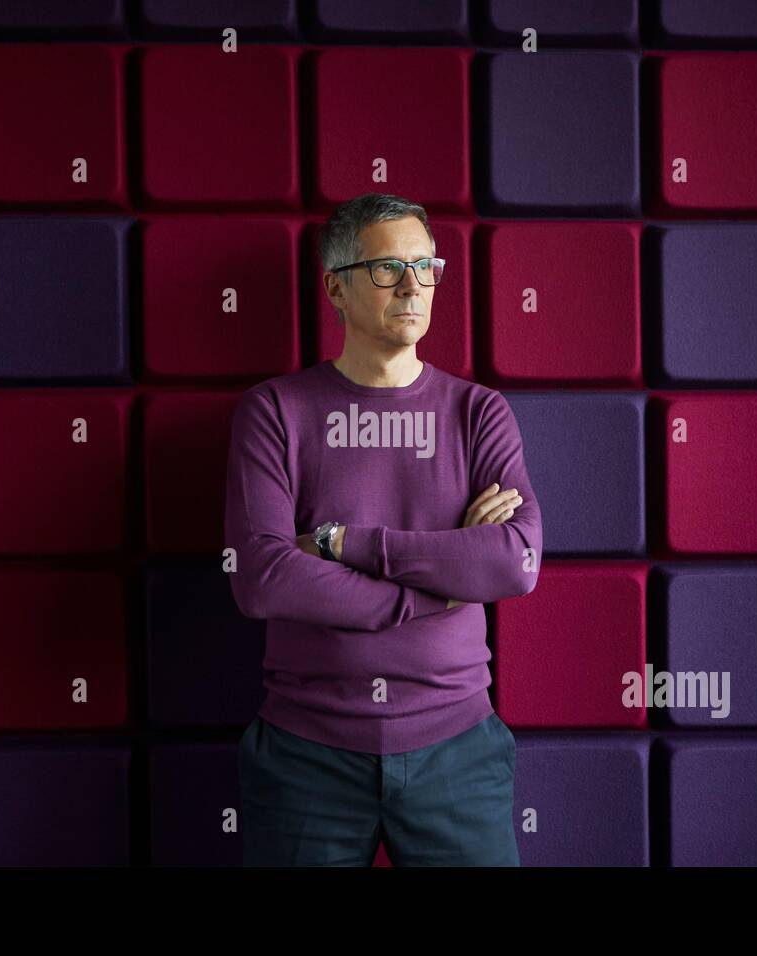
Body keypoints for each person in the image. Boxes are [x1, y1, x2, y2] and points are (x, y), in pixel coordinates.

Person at [224, 192, 543, 866]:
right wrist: (438, 588)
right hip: (304, 757)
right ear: (334, 286)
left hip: (458, 753)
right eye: (388, 267)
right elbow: (262, 580)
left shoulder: (478, 413)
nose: (413, 285)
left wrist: (344, 545)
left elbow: (513, 562)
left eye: (427, 266)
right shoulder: (274, 412)